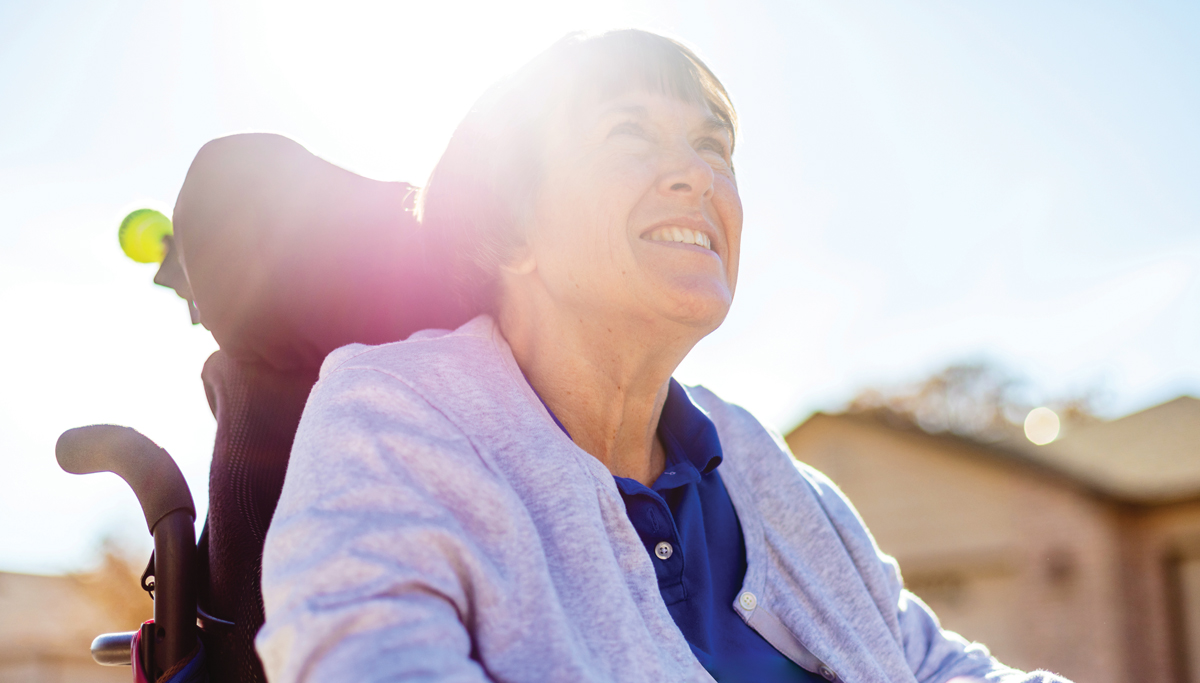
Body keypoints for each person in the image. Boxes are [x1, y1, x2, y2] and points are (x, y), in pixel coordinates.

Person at [255, 30, 1072, 683]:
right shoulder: (397, 414)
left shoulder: (758, 460)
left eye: (713, 146)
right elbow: (370, 657)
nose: (697, 174)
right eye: (628, 133)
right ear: (507, 229)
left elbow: (931, 666)